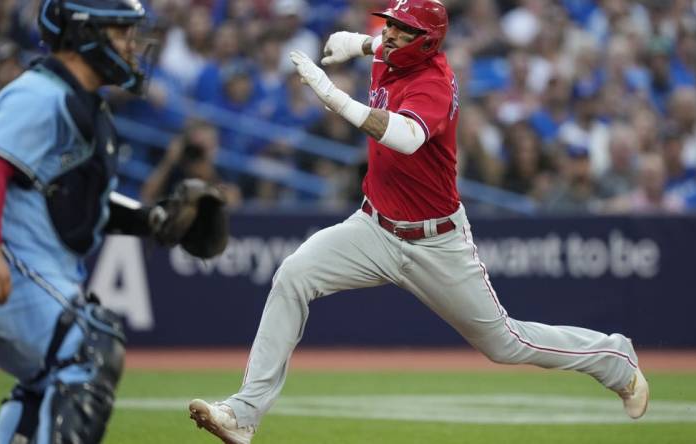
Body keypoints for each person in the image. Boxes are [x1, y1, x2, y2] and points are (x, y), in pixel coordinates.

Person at [188, 2, 649, 443]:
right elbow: (383, 45)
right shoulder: (390, 54)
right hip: (373, 227)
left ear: (426, 42)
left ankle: (614, 359)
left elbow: (405, 137)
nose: (390, 32)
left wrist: (332, 96)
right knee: (293, 274)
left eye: (403, 28)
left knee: (504, 342)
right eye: (390, 23)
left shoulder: (434, 82)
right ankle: (244, 415)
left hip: (435, 241)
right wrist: (356, 42)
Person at [0, 1, 227, 443]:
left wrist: (152, 220)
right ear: (82, 35)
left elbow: (76, 197)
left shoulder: (83, 104)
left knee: (49, 378)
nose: (131, 46)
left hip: (34, 266)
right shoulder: (40, 94)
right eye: (119, 32)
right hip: (12, 263)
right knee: (88, 347)